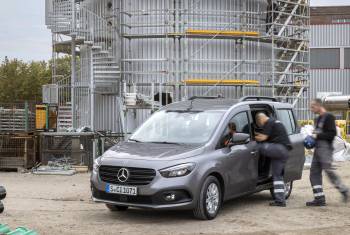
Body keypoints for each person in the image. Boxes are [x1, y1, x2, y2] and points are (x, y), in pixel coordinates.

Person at [306, 99, 349, 206]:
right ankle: (319, 198)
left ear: (318, 105)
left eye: (312, 107)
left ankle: (344, 190)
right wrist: (312, 137)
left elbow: (332, 134)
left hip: (325, 148)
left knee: (328, 171)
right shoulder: (318, 118)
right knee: (314, 173)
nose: (311, 109)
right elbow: (318, 133)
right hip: (317, 149)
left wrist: (317, 135)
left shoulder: (328, 117)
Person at [255, 112, 292, 207]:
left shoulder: (268, 122)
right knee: (277, 175)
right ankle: (280, 200)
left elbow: (263, 137)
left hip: (279, 149)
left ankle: (262, 171)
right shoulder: (276, 122)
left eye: (259, 123)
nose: (261, 125)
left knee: (258, 147)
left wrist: (253, 137)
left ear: (260, 119)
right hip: (284, 151)